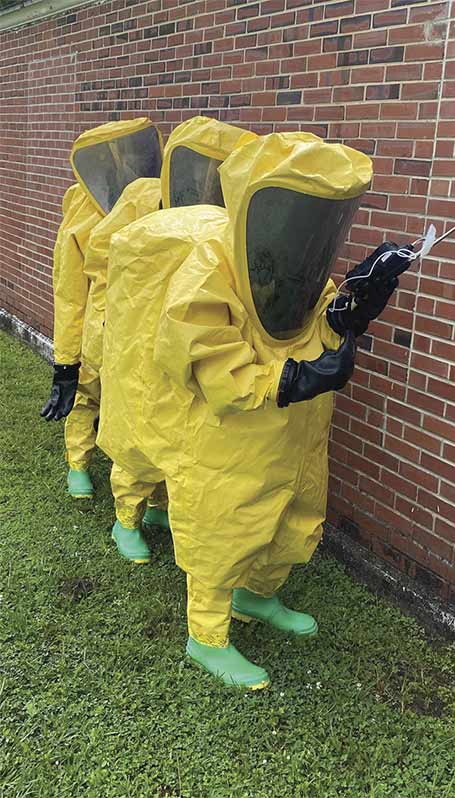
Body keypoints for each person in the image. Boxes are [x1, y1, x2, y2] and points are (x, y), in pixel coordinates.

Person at [98, 131, 397, 689]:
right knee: (225, 523)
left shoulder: (292, 264)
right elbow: (215, 367)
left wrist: (356, 303)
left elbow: (311, 320)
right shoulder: (211, 272)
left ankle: (257, 594)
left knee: (289, 510)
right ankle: (205, 635)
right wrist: (293, 379)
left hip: (293, 431)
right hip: (233, 434)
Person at [83, 116, 254, 564]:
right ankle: (127, 518)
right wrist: (98, 340)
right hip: (137, 330)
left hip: (193, 335)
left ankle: (162, 508)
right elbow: (103, 260)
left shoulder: (232, 226)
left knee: (180, 433)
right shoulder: (141, 200)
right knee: (139, 429)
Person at [40, 119, 163, 504]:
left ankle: (143, 490)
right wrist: (66, 363)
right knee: (87, 394)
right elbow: (70, 291)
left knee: (138, 406)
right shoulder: (83, 209)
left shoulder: (156, 200)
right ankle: (78, 462)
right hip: (98, 326)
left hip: (141, 326)